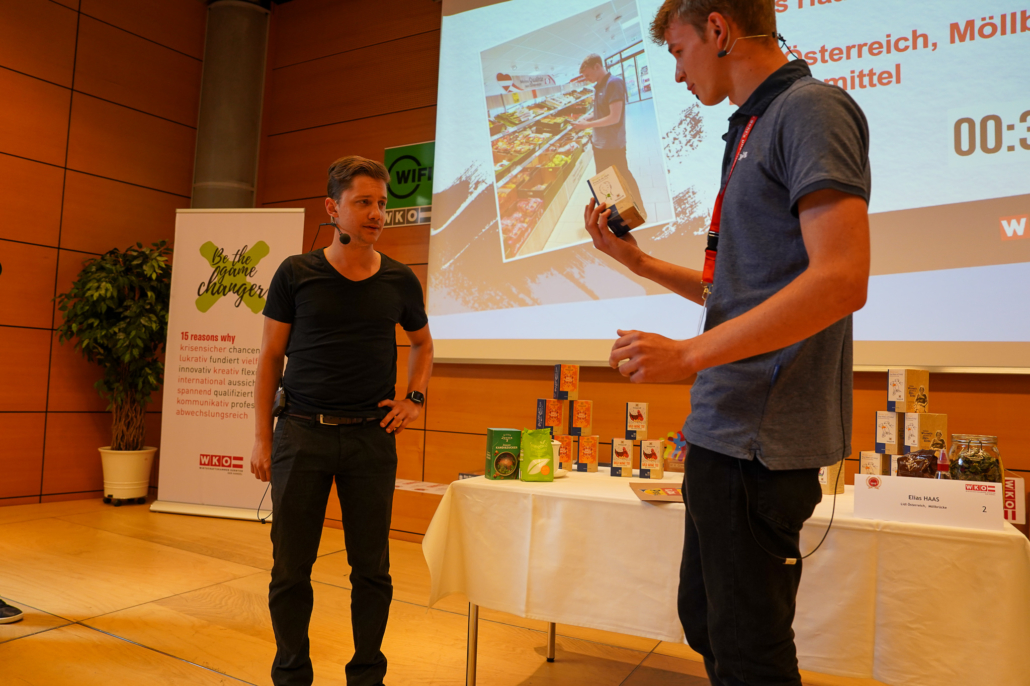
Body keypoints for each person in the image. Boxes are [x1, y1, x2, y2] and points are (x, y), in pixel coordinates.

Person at [583, 2, 871, 685]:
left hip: (759, 444)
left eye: (679, 51)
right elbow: (742, 292)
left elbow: (840, 280)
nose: (677, 74)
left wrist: (687, 355)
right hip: (722, 431)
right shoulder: (750, 128)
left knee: (748, 653)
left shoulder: (810, 109)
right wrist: (640, 263)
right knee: (708, 623)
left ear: (718, 30)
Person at [251, 155, 434, 686]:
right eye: (364, 202)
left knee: (372, 570)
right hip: (301, 432)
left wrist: (414, 399)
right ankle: (291, 675)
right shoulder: (296, 273)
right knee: (290, 568)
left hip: (370, 440)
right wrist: (262, 439)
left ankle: (367, 676)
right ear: (333, 209)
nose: (377, 213)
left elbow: (423, 345)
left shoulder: (400, 279)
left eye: (382, 203)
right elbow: (270, 358)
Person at [573, 54, 645, 209]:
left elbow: (614, 117)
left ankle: (638, 208)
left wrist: (587, 125)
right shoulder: (599, 86)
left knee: (623, 177)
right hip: (599, 145)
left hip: (612, 145)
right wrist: (586, 119)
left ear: (597, 66)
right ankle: (615, 213)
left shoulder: (613, 83)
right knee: (604, 182)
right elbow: (601, 112)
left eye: (587, 75)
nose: (586, 79)